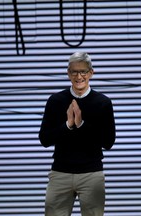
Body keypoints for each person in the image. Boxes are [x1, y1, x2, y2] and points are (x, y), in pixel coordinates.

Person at [39, 51, 116, 216]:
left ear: (91, 73)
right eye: (74, 71)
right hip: (60, 173)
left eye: (83, 72)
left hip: (92, 174)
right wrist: (67, 125)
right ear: (68, 73)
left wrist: (81, 124)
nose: (79, 76)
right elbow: (45, 139)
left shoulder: (103, 103)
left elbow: (108, 142)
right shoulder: (56, 101)